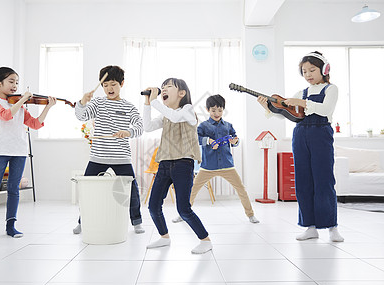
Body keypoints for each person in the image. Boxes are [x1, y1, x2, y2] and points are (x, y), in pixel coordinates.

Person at [257, 51, 344, 242]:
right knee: (303, 181)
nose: (308, 74)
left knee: (324, 180)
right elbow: (287, 113)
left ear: (324, 69)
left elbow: (325, 110)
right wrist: (269, 109)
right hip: (300, 135)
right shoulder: (301, 93)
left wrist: (302, 103)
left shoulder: (331, 89)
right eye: (304, 71)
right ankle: (309, 226)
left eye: (312, 70)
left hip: (321, 134)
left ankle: (332, 227)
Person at [0, 67, 56, 240]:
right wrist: (22, 99)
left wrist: (48, 108)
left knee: (14, 190)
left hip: (19, 150)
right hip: (0, 150)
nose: (15, 86)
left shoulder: (20, 105)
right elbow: (6, 115)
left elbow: (35, 124)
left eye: (17, 82)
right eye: (11, 81)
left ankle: (11, 226)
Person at [143, 78, 212, 254]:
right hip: (165, 163)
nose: (163, 89)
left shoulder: (187, 110)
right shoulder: (165, 114)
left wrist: (155, 101)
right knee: (153, 205)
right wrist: (147, 104)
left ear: (181, 93)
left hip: (183, 163)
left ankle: (205, 240)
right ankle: (164, 237)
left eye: (168, 87)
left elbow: (174, 116)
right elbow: (148, 126)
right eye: (163, 86)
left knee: (183, 209)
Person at [73, 65, 145, 235]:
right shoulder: (97, 103)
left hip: (121, 158)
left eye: (113, 84)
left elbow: (140, 127)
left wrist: (128, 132)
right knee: (88, 192)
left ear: (122, 83)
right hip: (98, 157)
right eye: (105, 85)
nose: (109, 88)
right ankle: (82, 222)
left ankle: (136, 222)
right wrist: (82, 102)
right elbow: (81, 116)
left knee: (130, 192)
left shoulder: (129, 107)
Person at [172, 94, 259, 224]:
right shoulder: (203, 126)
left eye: (220, 110)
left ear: (223, 110)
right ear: (208, 110)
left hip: (227, 165)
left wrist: (235, 141)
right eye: (213, 110)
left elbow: (235, 140)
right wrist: (209, 141)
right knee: (193, 189)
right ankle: (183, 214)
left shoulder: (228, 126)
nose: (217, 113)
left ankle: (250, 215)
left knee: (241, 189)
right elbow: (196, 140)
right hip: (208, 166)